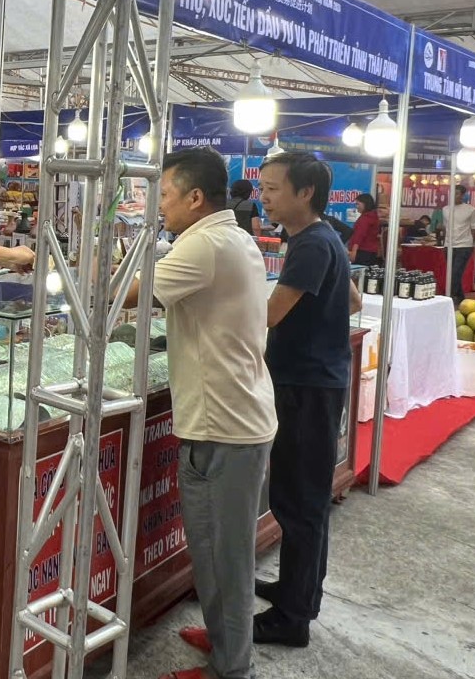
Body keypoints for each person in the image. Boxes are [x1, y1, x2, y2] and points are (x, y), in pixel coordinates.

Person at [125, 148, 277, 679]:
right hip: (235, 416)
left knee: (224, 554)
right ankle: (223, 638)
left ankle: (231, 668)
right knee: (214, 547)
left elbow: (127, 294)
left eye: (165, 195)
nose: (159, 206)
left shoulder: (206, 244)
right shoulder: (228, 237)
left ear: (194, 197)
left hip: (225, 426)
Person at [257, 151, 361, 648]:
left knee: (299, 500)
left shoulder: (313, 245)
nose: (265, 197)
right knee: (304, 497)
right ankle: (297, 592)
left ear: (305, 193)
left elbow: (270, 315)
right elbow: (355, 300)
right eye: (263, 187)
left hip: (306, 386)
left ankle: (292, 618)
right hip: (316, 380)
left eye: (273, 188)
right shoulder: (321, 238)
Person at [447, 185, 475, 305]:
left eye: (457, 193)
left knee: (455, 273)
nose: (454, 196)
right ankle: (460, 298)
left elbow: (474, 229)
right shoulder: (445, 209)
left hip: (464, 246)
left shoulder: (471, 210)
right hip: (448, 245)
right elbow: (445, 227)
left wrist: (472, 245)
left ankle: (451, 298)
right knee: (452, 273)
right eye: (453, 193)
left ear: (463, 195)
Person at [347, 193, 381, 266]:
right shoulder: (374, 216)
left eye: (358, 204)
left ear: (365, 204)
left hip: (362, 252)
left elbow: (359, 236)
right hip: (372, 252)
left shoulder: (365, 219)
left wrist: (353, 252)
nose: (356, 207)